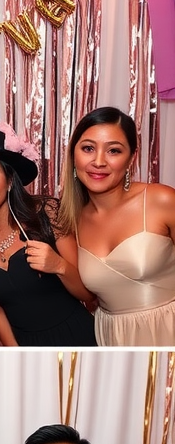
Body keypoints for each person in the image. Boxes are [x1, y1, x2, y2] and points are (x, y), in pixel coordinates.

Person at [0, 122, 97, 346]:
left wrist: (59, 265)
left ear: (10, 180)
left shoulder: (47, 213)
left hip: (77, 340)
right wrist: (17, 356)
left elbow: (88, 296)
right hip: (26, 350)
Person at [59, 106, 175, 346]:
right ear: (73, 154)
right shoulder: (71, 221)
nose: (98, 161)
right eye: (88, 148)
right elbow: (87, 296)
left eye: (114, 150)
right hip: (112, 338)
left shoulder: (161, 200)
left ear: (131, 158)